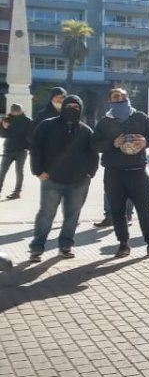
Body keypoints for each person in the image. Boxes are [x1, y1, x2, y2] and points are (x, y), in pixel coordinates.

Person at [92, 87, 149, 258]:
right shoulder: (104, 122)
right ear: (110, 101)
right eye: (115, 97)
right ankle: (123, 245)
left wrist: (146, 141)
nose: (119, 100)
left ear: (128, 98)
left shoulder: (140, 117)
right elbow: (95, 145)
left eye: (123, 97)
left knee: (145, 210)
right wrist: (112, 144)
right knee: (117, 211)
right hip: (114, 173)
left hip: (138, 172)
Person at [28, 95, 97, 261]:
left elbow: (93, 154)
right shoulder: (47, 125)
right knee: (46, 214)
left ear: (80, 109)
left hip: (78, 182)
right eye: (69, 105)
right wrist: (38, 171)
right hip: (52, 180)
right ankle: (37, 248)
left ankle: (65, 246)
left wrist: (90, 173)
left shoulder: (86, 130)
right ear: (63, 106)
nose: (72, 108)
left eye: (76, 106)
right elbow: (35, 148)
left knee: (72, 215)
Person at [0, 104, 33, 199]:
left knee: (19, 172)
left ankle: (17, 192)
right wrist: (4, 128)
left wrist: (30, 147)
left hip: (21, 150)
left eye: (17, 111)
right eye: (14, 111)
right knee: (2, 172)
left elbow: (31, 136)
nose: (15, 113)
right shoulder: (7, 119)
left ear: (21, 111)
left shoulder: (28, 121)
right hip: (8, 150)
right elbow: (3, 135)